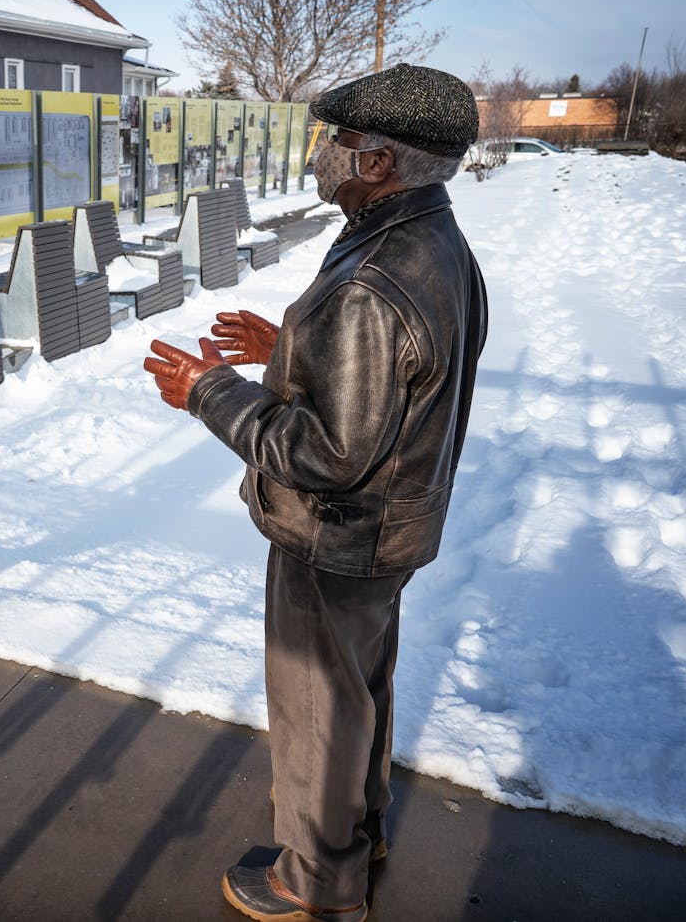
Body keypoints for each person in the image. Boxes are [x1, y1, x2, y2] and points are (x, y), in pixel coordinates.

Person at [142, 64, 488, 922]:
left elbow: (328, 451)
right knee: (356, 689)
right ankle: (353, 831)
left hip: (337, 536)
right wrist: (287, 343)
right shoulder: (427, 237)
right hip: (387, 532)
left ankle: (316, 882)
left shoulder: (379, 278)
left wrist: (208, 390)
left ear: (378, 161)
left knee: (317, 712)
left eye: (336, 140)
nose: (321, 153)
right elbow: (389, 379)